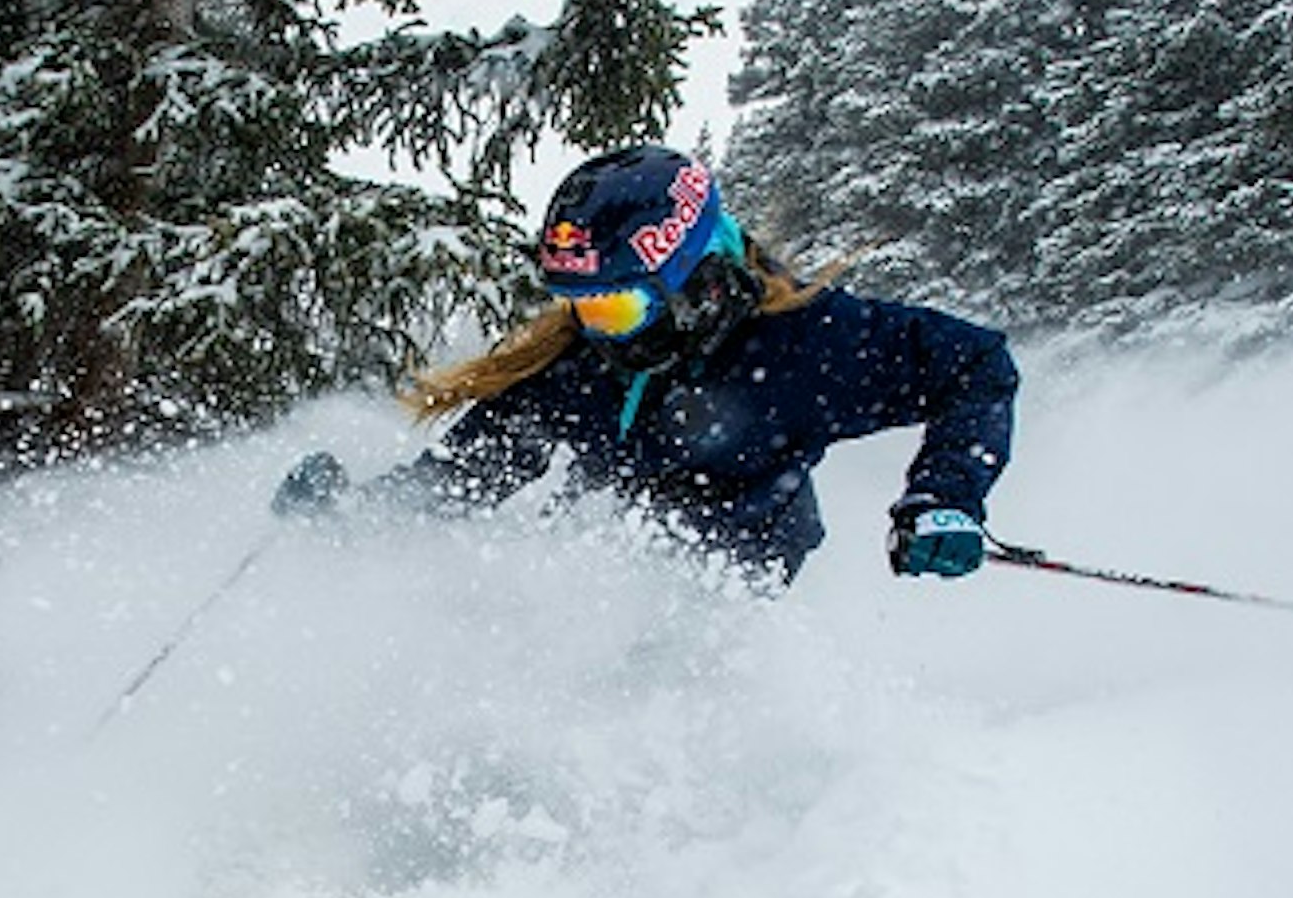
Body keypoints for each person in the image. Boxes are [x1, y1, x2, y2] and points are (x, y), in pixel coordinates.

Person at [273, 145, 1017, 586]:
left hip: (737, 574)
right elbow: (472, 474)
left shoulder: (807, 342)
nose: (600, 333)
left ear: (697, 278)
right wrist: (355, 514)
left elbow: (976, 366)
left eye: (618, 309)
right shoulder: (577, 367)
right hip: (604, 561)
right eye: (581, 307)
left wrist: (943, 496)